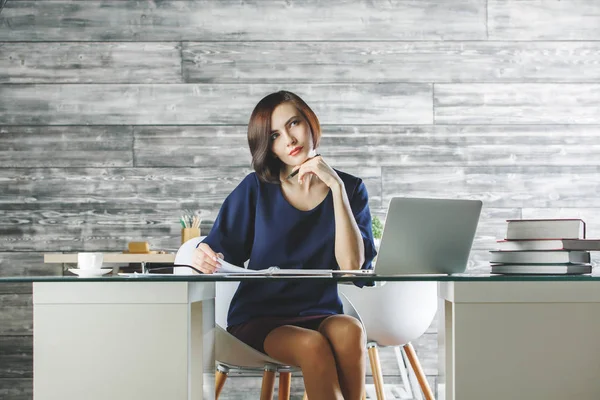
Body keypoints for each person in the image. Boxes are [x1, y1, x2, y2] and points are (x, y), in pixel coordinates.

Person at [192, 90, 377, 400]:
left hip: (320, 312)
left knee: (351, 330)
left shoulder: (350, 188)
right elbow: (220, 250)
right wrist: (203, 253)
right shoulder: (256, 189)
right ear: (268, 146)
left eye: (294, 123)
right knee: (311, 345)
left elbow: (352, 269)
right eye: (275, 135)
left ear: (310, 123)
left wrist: (335, 187)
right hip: (260, 317)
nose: (289, 139)